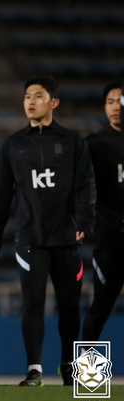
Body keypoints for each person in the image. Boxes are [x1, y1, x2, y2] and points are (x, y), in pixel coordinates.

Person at [0, 76, 96, 386]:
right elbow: (1, 194)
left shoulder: (74, 142)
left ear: (54, 102)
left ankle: (69, 365)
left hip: (66, 239)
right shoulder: (13, 144)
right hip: (31, 239)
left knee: (70, 307)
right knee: (32, 304)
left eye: (38, 95)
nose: (30, 101)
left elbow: (86, 187)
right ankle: (34, 369)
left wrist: (85, 224)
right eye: (27, 97)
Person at [80, 83, 123, 345]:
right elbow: (81, 189)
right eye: (110, 101)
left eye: (120, 101)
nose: (116, 107)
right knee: (100, 308)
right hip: (111, 241)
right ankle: (86, 378)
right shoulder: (95, 145)